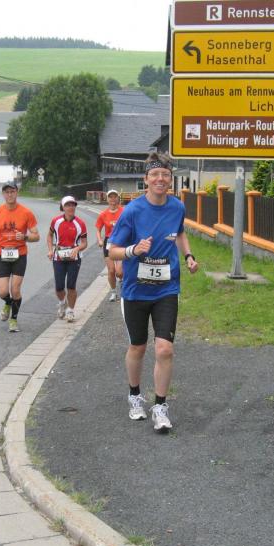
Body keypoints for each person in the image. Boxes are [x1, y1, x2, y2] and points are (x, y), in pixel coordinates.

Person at [109, 152, 199, 432]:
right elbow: (112, 250)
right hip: (135, 290)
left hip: (166, 289)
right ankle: (135, 395)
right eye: (155, 175)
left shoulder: (177, 207)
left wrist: (188, 256)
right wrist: (134, 250)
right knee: (138, 346)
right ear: (146, 179)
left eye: (165, 175)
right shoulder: (132, 211)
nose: (161, 179)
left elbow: (180, 233)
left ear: (170, 180)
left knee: (165, 349)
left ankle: (160, 405)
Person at [0, 181, 40, 332]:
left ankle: (13, 319)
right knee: (2, 291)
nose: (9, 195)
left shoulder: (26, 213)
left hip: (19, 254)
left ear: (17, 193)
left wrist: (25, 237)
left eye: (12, 192)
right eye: (7, 192)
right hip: (2, 254)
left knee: (15, 289)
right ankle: (8, 303)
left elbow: (36, 236)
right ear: (3, 194)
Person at [47, 196, 88, 323]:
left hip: (74, 257)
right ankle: (62, 302)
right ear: (63, 207)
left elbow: (84, 243)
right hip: (58, 256)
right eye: (68, 205)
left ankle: (70, 310)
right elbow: (49, 235)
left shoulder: (80, 223)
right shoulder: (56, 221)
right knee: (59, 286)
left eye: (73, 205)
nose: (71, 207)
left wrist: (77, 248)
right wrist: (50, 250)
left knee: (71, 285)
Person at [95, 189, 124, 302]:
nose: (113, 199)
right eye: (110, 197)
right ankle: (113, 292)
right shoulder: (103, 214)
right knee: (111, 271)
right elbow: (98, 229)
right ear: (107, 199)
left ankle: (121, 283)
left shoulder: (124, 211)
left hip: (121, 241)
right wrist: (99, 240)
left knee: (119, 272)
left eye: (114, 197)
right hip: (109, 242)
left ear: (118, 198)